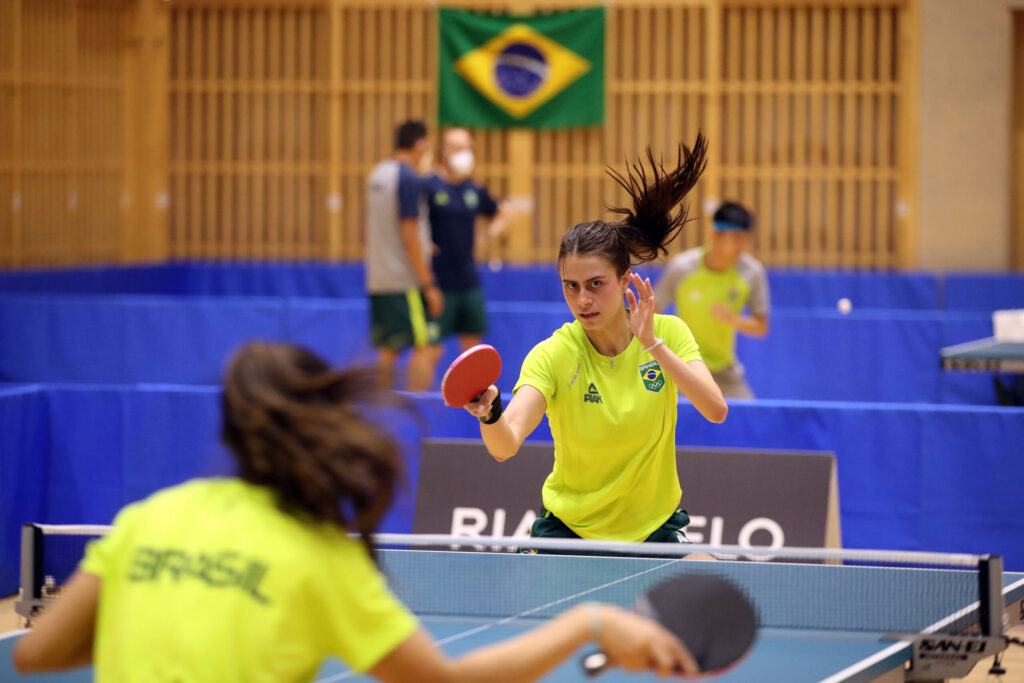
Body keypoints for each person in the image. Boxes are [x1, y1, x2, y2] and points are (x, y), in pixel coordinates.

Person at [13, 341, 698, 681]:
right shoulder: (321, 555)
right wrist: (590, 620)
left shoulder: (148, 518)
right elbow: (444, 682)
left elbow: (38, 652)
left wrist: (167, 619)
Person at [464, 135, 728, 546]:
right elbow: (505, 445)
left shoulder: (669, 334)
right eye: (571, 286)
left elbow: (716, 409)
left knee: (718, 604)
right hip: (570, 533)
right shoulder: (553, 354)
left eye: (595, 284)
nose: (582, 300)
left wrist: (653, 344)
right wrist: (490, 414)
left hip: (653, 531)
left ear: (625, 280)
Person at [653, 201, 770, 399]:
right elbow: (652, 310)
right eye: (736, 238)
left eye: (746, 239)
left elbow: (761, 326)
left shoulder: (751, 272)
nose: (742, 246)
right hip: (683, 367)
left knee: (749, 422)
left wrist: (733, 319)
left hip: (725, 372)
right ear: (715, 235)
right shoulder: (682, 268)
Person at [365, 119, 442, 392]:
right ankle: (414, 412)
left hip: (378, 279)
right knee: (428, 346)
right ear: (420, 145)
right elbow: (408, 233)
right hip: (405, 282)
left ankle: (379, 414)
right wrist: (428, 284)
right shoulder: (408, 177)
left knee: (389, 350)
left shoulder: (378, 175)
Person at [423, 128, 513, 355]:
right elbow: (409, 223)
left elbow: (504, 212)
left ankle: (474, 393)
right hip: (437, 282)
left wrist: (486, 236)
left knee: (472, 351)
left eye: (468, 148)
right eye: (458, 148)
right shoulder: (428, 186)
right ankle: (416, 393)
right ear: (444, 151)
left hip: (468, 280)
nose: (465, 153)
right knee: (430, 350)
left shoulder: (473, 190)